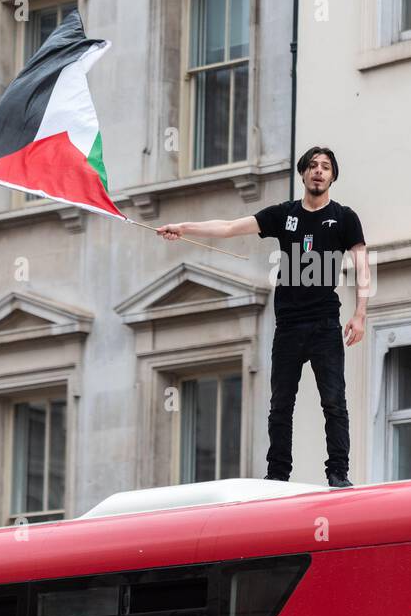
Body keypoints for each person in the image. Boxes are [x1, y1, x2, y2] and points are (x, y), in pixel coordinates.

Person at [157, 146, 369, 487]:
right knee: (281, 403)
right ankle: (277, 474)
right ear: (302, 174)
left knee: (334, 401)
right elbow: (228, 227)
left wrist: (360, 315)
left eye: (325, 167)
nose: (318, 171)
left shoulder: (344, 217)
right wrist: (183, 227)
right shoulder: (284, 214)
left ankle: (338, 473)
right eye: (312, 166)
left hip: (324, 323)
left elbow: (362, 265)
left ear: (332, 176)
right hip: (288, 325)